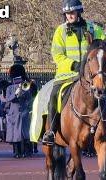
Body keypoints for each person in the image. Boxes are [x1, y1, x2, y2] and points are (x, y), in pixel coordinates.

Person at [42, 0, 105, 145]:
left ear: (79, 12)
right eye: (67, 13)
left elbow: (103, 46)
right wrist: (74, 65)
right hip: (67, 74)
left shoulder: (93, 28)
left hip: (91, 75)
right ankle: (50, 132)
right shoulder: (60, 31)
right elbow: (57, 55)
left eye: (71, 12)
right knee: (54, 96)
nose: (69, 16)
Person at [5, 64, 32, 158]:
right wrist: (16, 93)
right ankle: (17, 152)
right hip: (14, 113)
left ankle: (25, 151)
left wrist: (22, 92)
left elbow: (29, 99)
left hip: (23, 113)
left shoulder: (25, 87)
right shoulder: (9, 88)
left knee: (24, 133)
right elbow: (8, 99)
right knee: (15, 134)